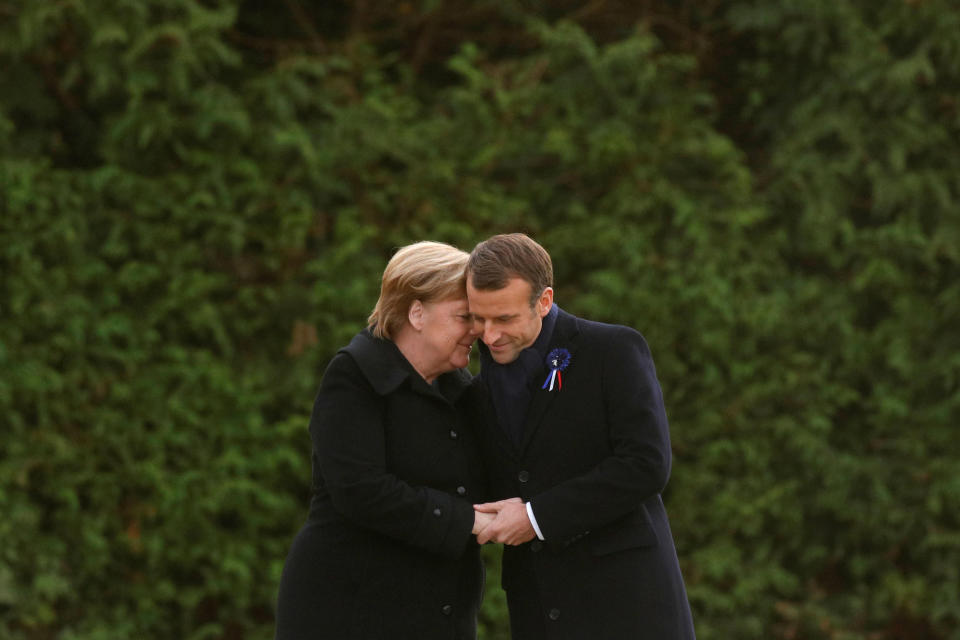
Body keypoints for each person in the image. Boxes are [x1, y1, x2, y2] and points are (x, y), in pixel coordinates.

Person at [466, 233, 696, 640]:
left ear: (544, 300)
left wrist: (537, 518)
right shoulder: (476, 387)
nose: (488, 335)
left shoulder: (613, 350)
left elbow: (645, 465)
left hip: (626, 604)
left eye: (504, 319)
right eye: (477, 318)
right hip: (538, 607)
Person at [275, 241, 494, 640]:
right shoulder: (355, 377)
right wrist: (467, 520)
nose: (476, 330)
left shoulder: (465, 393)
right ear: (417, 313)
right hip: (348, 610)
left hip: (439, 614)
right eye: (464, 316)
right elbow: (361, 490)